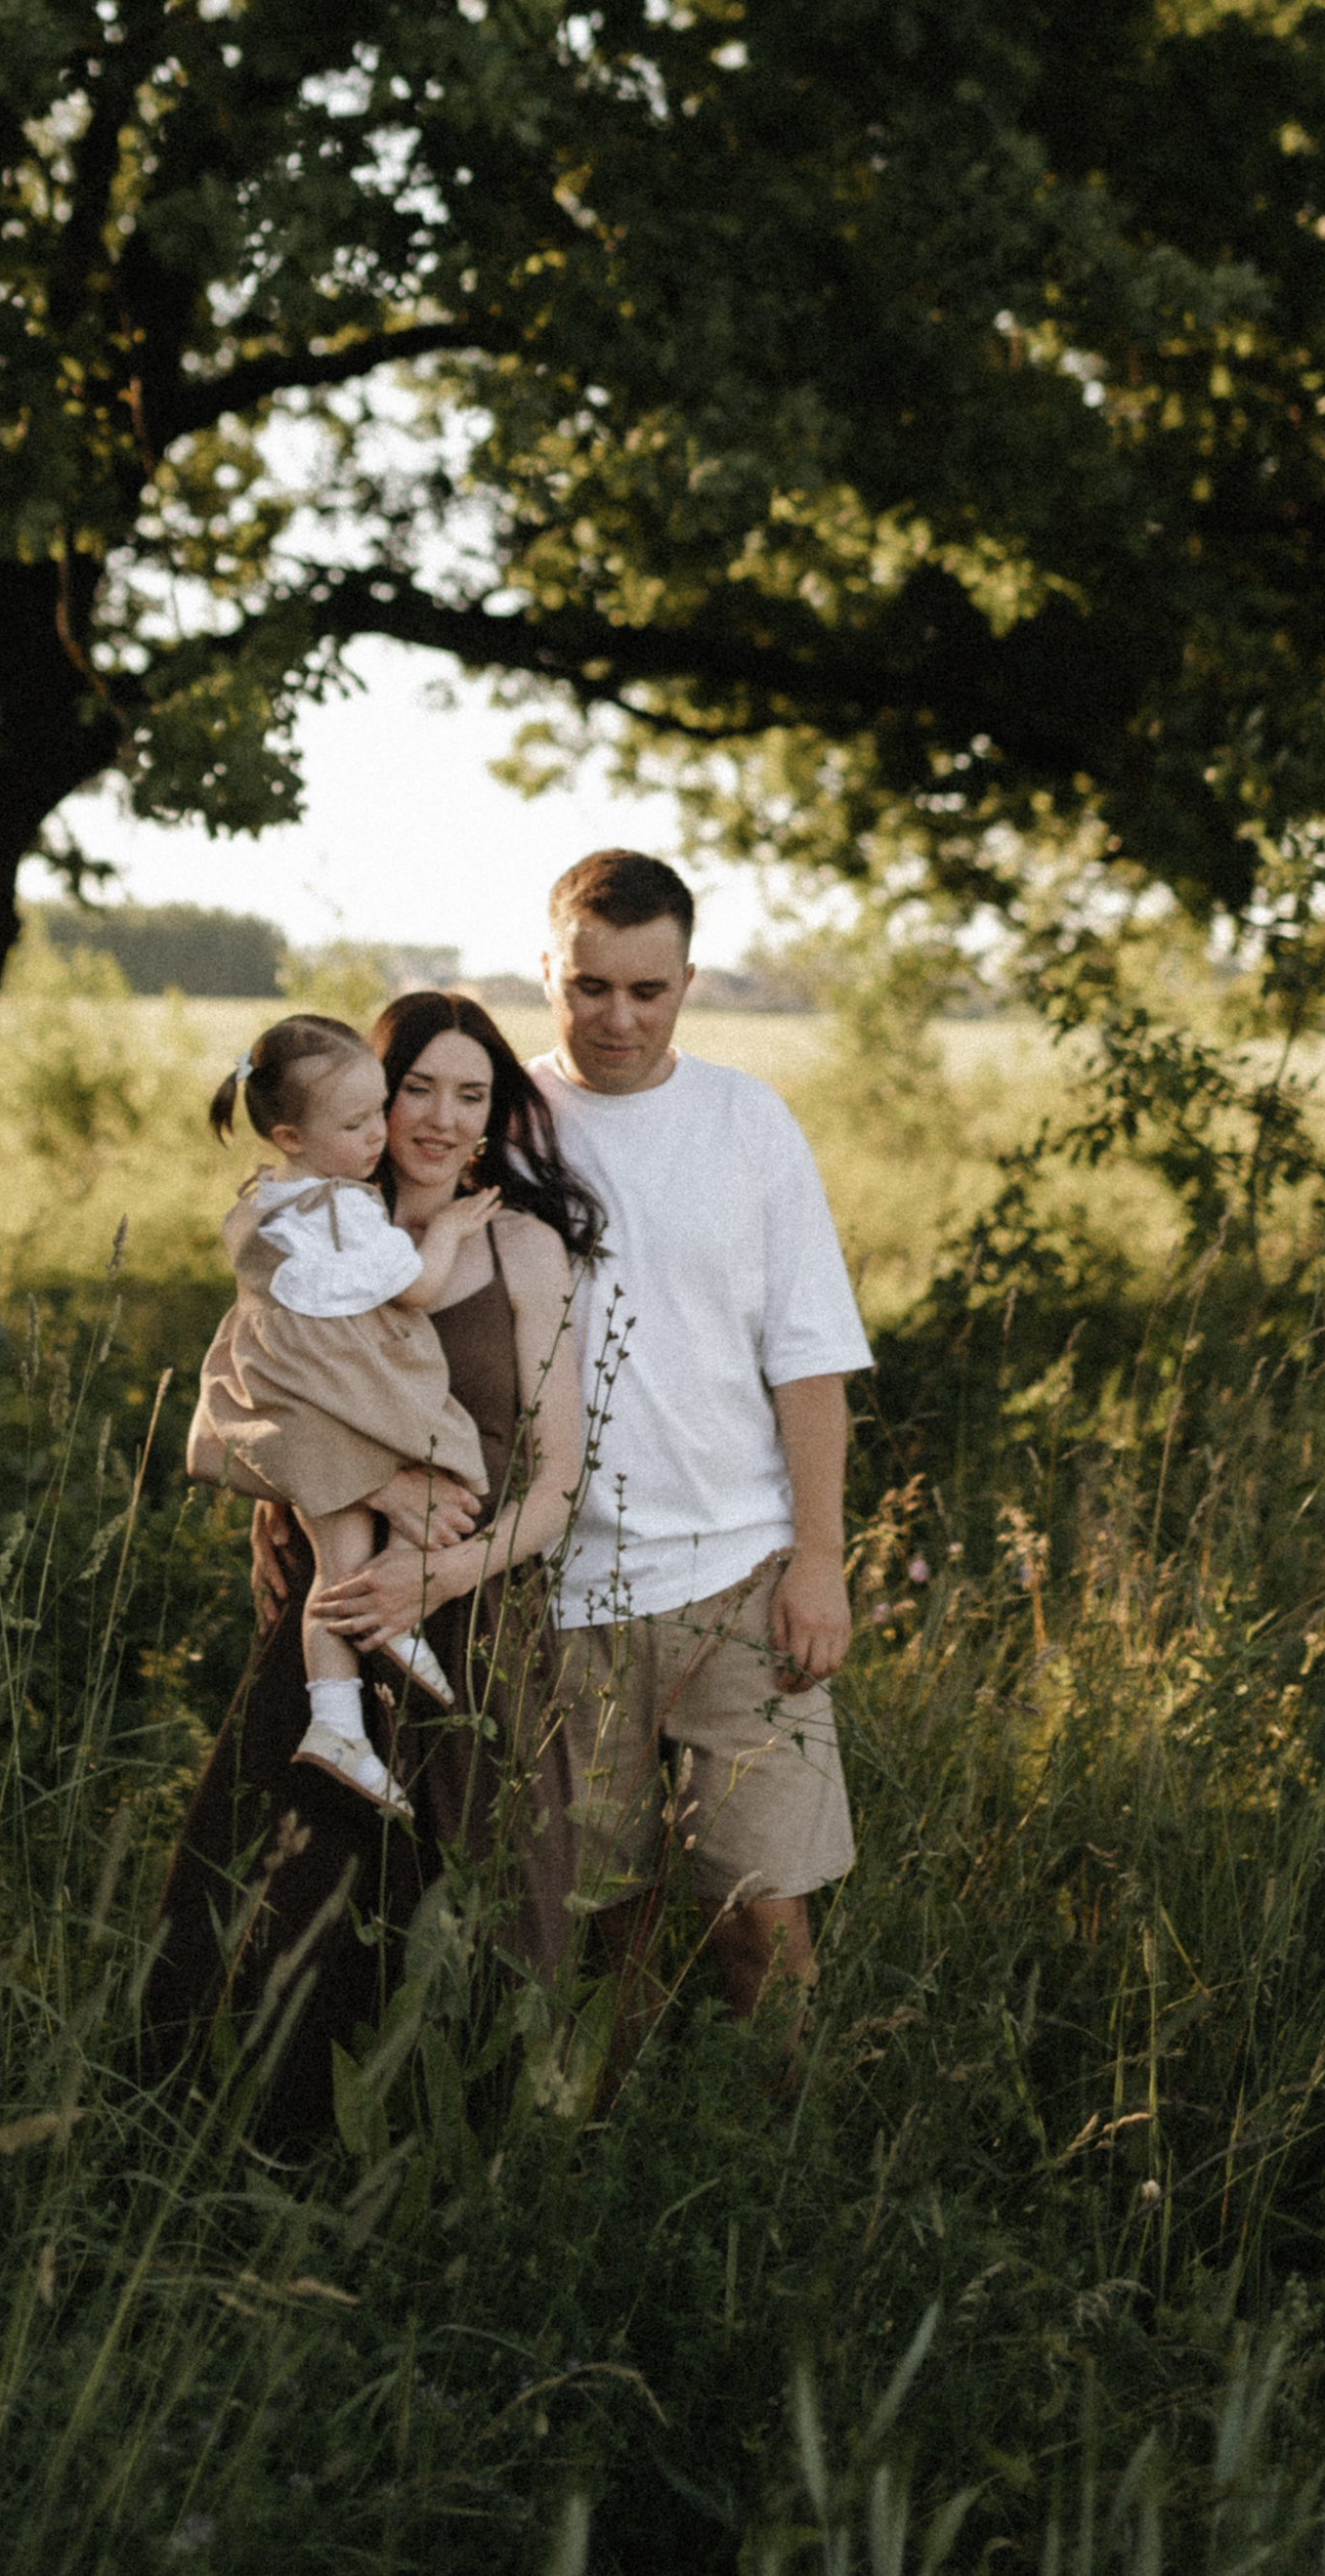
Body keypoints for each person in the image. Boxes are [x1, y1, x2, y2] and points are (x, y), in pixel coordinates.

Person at [148, 992, 598, 2134]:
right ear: (365, 1098)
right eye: (418, 1089)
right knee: (285, 1927)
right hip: (336, 1615)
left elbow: (558, 1480)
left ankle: (459, 2201)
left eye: (473, 1093)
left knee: (494, 1935)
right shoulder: (308, 1235)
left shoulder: (520, 1246)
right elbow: (227, 1418)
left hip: (472, 1620)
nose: (443, 1118)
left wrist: (438, 1575)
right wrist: (367, 1486)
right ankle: (256, 2189)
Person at [532, 847, 871, 2021]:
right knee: (597, 1934)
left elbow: (810, 1357)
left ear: (687, 981)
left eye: (646, 988)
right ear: (548, 970)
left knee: (764, 1923)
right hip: (562, 1589)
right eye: (589, 985)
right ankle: (583, 2163)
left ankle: (792, 2179)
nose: (615, 1016)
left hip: (739, 1576)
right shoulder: (503, 1122)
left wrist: (817, 1559)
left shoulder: (746, 1119)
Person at [192, 1013, 502, 1815]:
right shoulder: (339, 1212)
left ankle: (345, 1712)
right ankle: (357, 1687)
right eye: (360, 1119)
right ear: (293, 1132)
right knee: (443, 1456)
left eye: (375, 1114)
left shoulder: (271, 1202)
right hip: (334, 1396)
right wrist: (453, 1230)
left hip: (307, 1391)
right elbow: (416, 1287)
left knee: (347, 1559)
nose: (377, 1134)